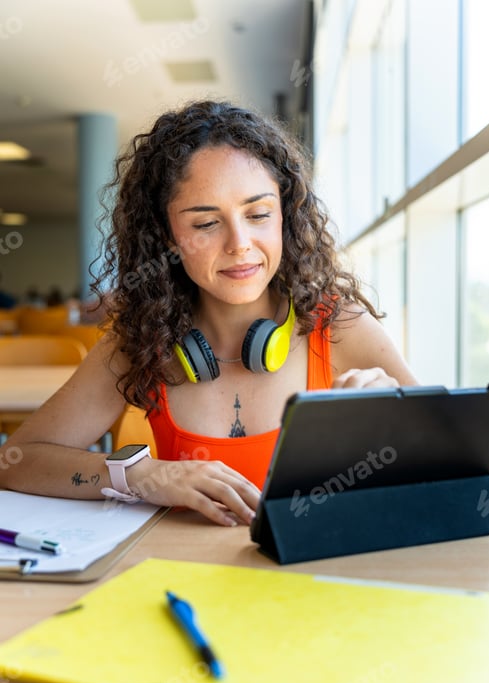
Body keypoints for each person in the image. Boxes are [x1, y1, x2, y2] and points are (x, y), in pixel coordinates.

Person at [0, 99, 417, 526]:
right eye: (205, 224)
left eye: (258, 214)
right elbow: (16, 462)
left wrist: (391, 417)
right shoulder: (142, 340)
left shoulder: (340, 327)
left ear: (285, 217)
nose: (240, 243)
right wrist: (143, 475)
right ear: (166, 236)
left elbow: (450, 468)